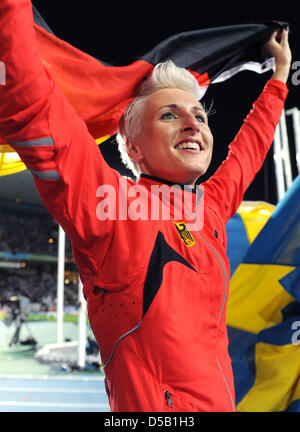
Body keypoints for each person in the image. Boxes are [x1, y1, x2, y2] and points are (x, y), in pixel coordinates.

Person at [0, 0, 292, 412]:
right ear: (133, 147)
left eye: (200, 116)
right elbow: (35, 106)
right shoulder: (110, 204)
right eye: (169, 116)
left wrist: (279, 77)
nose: (194, 124)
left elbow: (250, 148)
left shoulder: (205, 209)